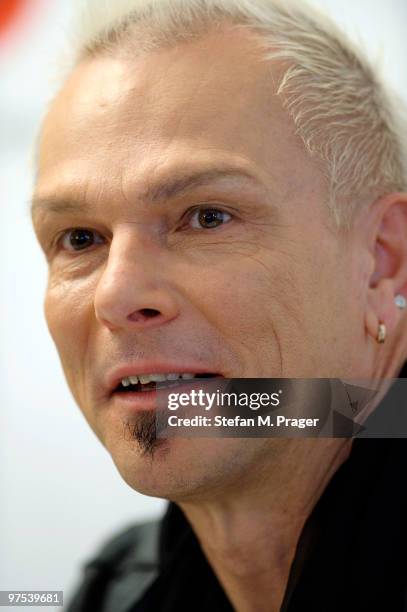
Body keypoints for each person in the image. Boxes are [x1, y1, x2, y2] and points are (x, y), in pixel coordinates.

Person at [30, 0, 407, 610]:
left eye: (206, 218)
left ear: (382, 262)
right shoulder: (114, 588)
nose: (117, 296)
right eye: (79, 239)